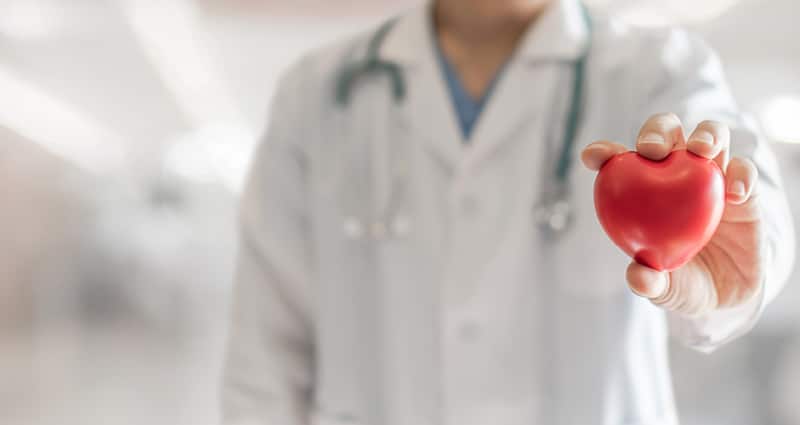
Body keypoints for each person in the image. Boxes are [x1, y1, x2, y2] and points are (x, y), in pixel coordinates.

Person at [221, 0, 796, 423]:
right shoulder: (317, 93)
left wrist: (740, 262)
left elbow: (746, 178)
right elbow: (265, 363)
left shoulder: (659, 69)